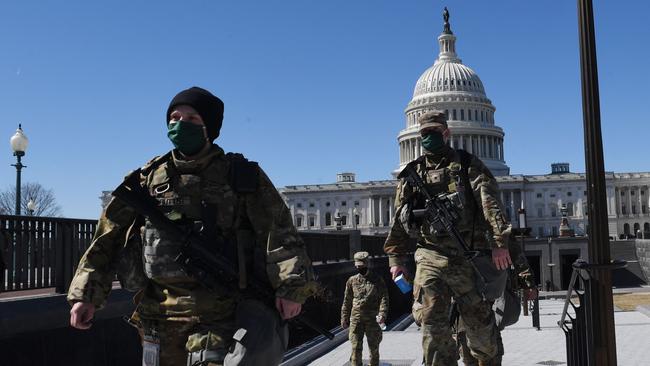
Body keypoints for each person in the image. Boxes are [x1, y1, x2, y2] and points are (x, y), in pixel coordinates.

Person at [67, 86, 317, 366]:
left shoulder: (241, 176)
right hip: (157, 315)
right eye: (174, 117)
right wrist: (86, 296)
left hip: (220, 314)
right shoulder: (146, 179)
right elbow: (107, 238)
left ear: (209, 126)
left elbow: (278, 232)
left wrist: (291, 289)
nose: (180, 125)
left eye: (192, 119)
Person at [384, 110, 512, 366]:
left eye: (434, 132)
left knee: (480, 329)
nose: (429, 137)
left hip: (467, 256)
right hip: (430, 254)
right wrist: (395, 257)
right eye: (425, 133)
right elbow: (399, 218)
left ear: (446, 133)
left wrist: (500, 243)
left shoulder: (467, 165)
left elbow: (490, 204)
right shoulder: (412, 173)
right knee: (432, 325)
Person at [456, 238, 538, 366]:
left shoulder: (493, 225)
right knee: (464, 339)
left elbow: (514, 251)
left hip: (490, 290)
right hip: (462, 290)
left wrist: (528, 284)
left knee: (489, 340)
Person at [340, 251, 389, 366]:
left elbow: (384, 298)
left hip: (373, 319)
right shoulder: (352, 281)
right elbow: (347, 300)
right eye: (358, 266)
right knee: (355, 347)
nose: (359, 269)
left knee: (374, 348)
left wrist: (382, 314)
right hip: (356, 319)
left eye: (362, 266)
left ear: (367, 264)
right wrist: (344, 317)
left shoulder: (377, 280)